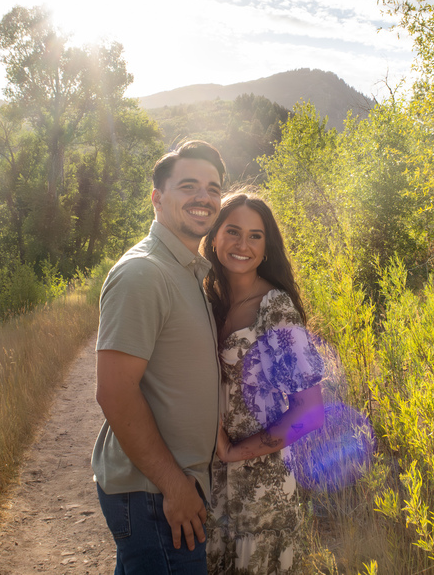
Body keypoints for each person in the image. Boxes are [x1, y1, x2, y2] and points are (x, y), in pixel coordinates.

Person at [92, 140, 226, 574]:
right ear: (157, 197)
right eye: (188, 186)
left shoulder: (185, 271)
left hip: (166, 487)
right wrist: (174, 486)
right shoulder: (143, 273)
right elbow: (114, 392)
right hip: (155, 492)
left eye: (212, 188)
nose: (203, 197)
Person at [202, 192, 325, 574]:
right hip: (208, 482)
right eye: (233, 231)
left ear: (267, 247)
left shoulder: (275, 309)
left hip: (262, 488)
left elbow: (311, 411)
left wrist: (233, 453)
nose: (243, 244)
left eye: (255, 236)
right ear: (214, 236)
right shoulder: (206, 299)